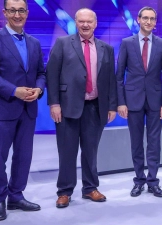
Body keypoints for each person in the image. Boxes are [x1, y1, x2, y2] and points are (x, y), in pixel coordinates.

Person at [0, 0, 45, 221]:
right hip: (2, 109)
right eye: (13, 10)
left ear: (27, 13)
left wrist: (39, 88)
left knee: (24, 156)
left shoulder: (34, 43)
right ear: (5, 13)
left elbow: (41, 73)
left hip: (28, 110)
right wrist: (14, 90)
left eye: (22, 10)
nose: (17, 14)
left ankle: (16, 196)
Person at [46, 8, 117, 208]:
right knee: (67, 151)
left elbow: (110, 79)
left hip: (95, 107)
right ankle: (65, 191)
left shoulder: (106, 48)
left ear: (95, 24)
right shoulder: (62, 44)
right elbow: (51, 75)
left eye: (89, 22)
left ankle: (90, 188)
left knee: (91, 151)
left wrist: (111, 105)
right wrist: (54, 103)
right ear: (76, 23)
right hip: (68, 107)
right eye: (81, 21)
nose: (85, 25)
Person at [116, 6, 162, 198]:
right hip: (132, 100)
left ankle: (153, 181)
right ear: (138, 20)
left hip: (156, 101)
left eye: (152, 19)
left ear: (155, 22)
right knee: (136, 142)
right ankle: (139, 180)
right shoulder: (127, 43)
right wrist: (121, 102)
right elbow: (119, 76)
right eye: (145, 18)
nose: (148, 22)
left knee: (154, 142)